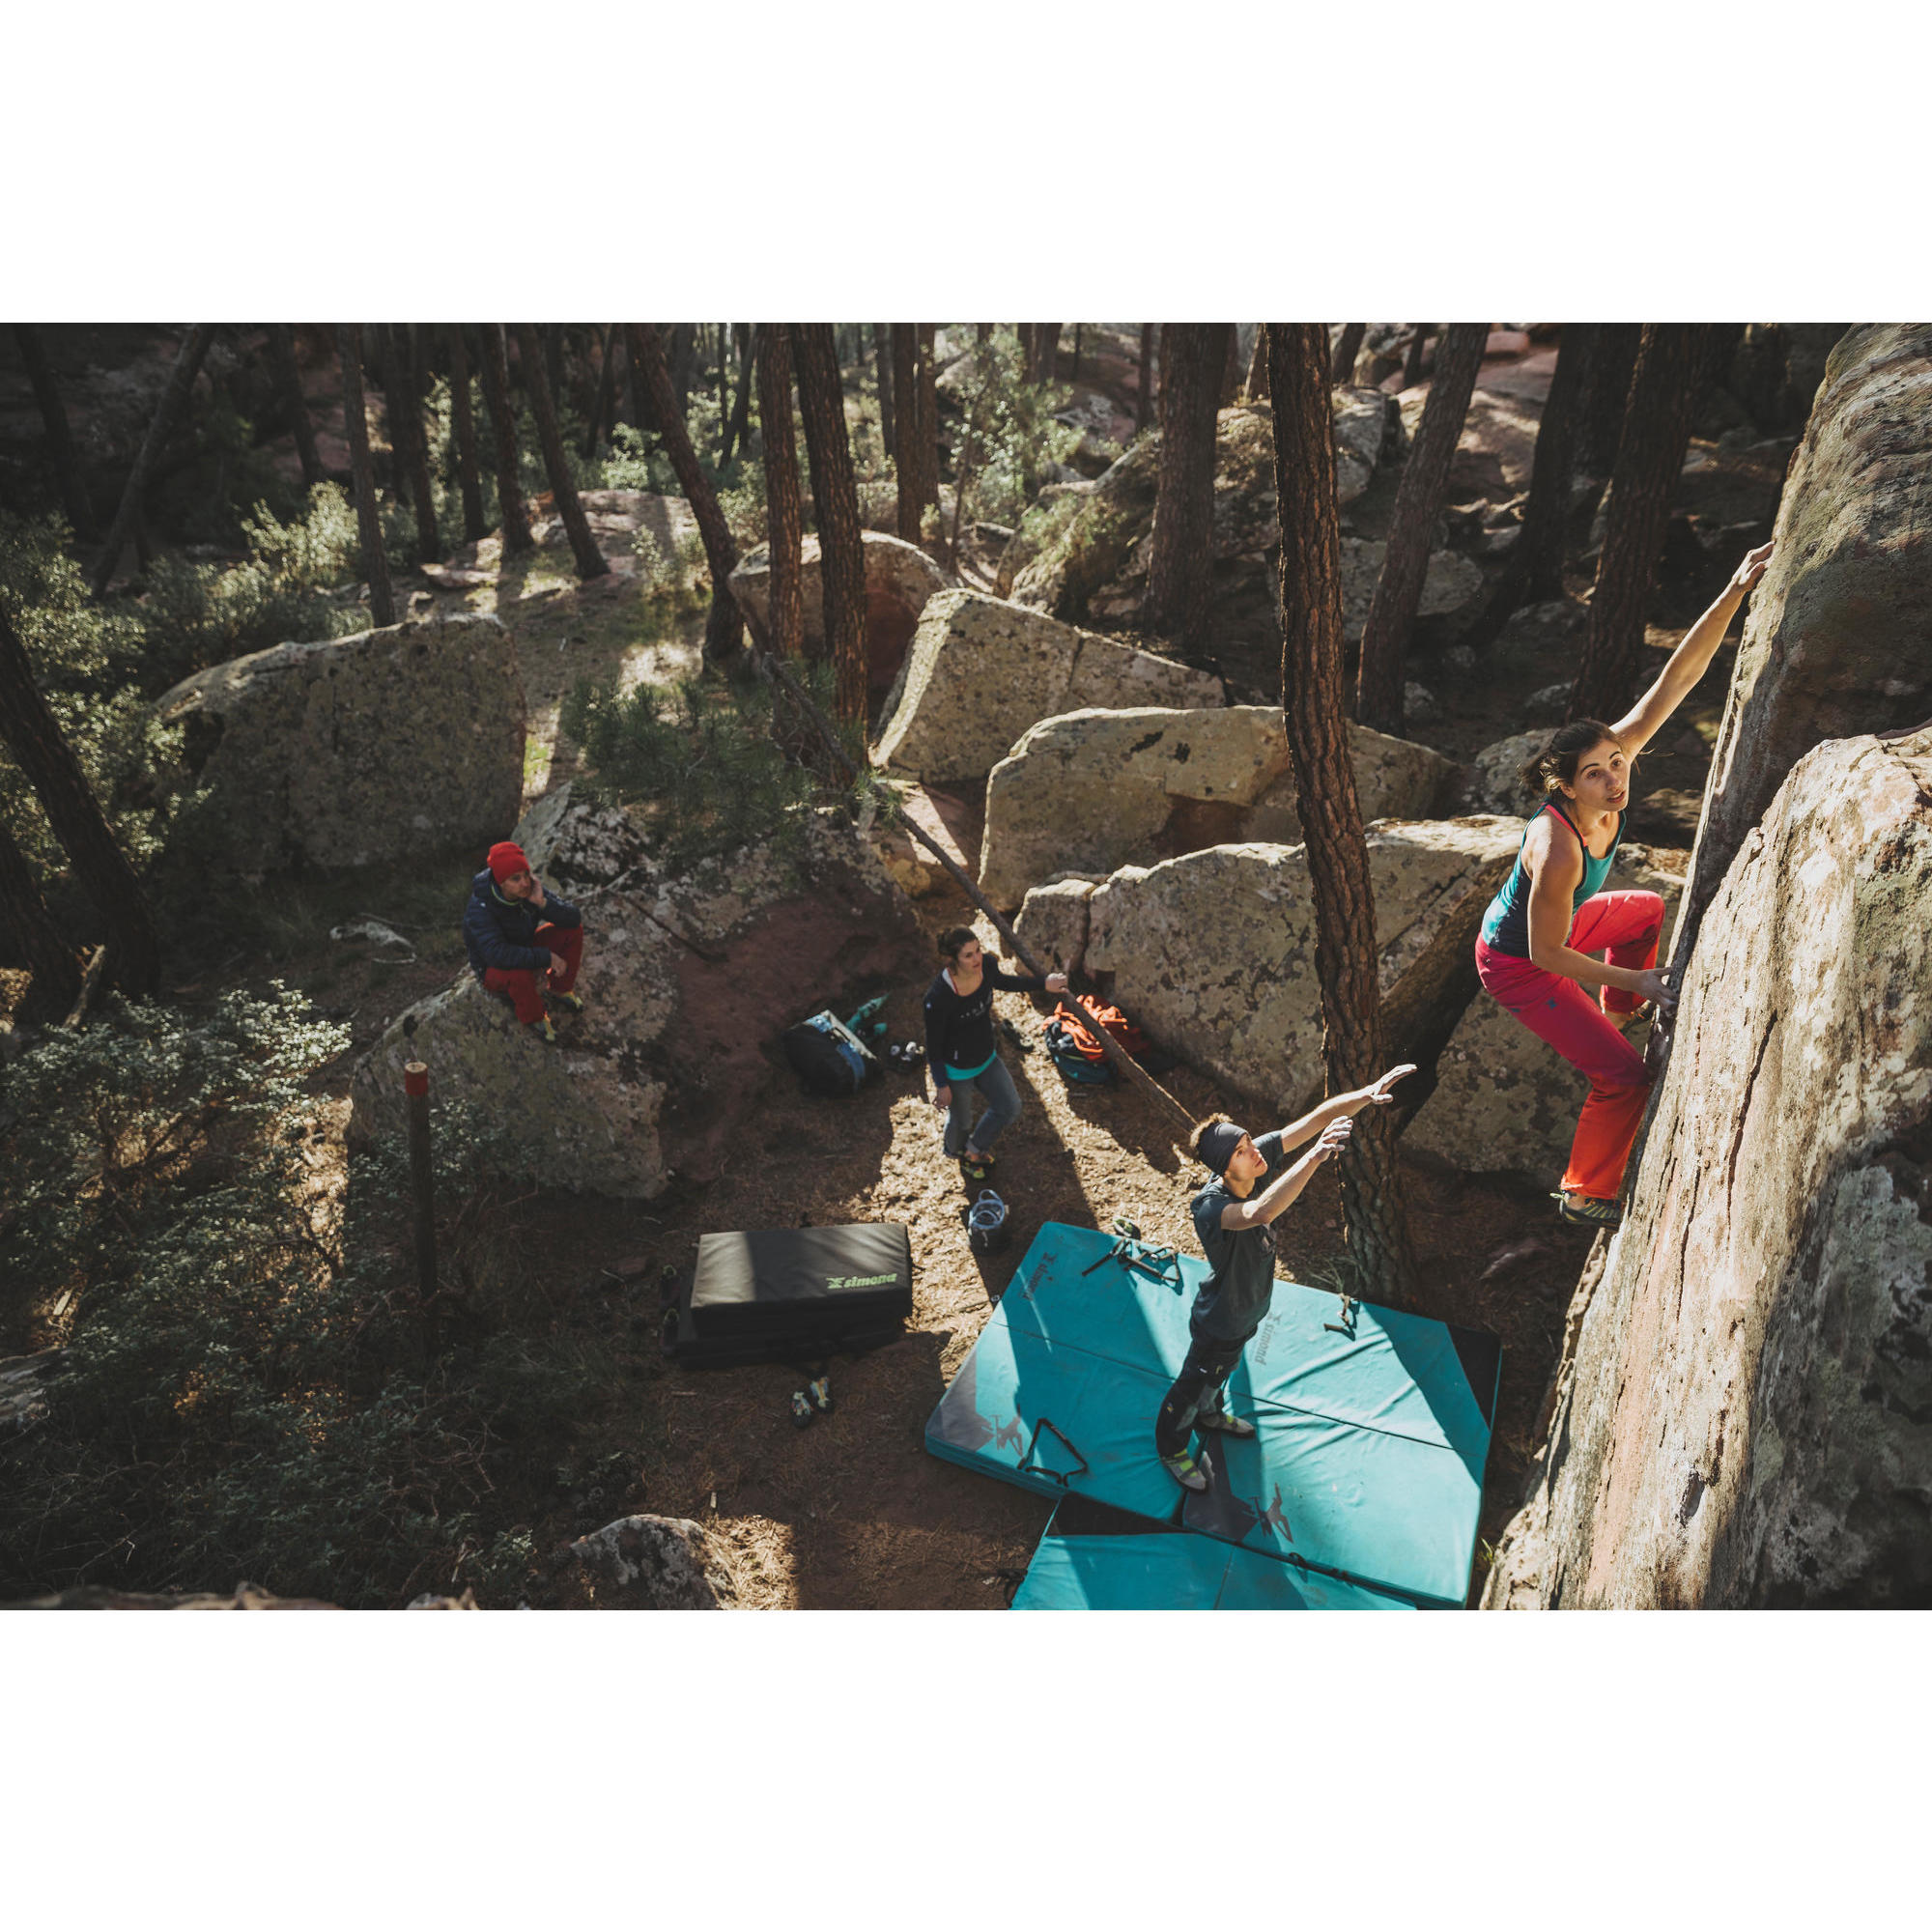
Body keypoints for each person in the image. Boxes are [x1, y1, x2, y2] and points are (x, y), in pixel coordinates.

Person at [1474, 542, 1775, 1231]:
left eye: (1617, 762)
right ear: (1565, 785)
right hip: (1520, 966)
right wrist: (1644, 983)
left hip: (1555, 930)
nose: (1617, 781)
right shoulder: (1556, 850)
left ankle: (1615, 1012)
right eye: (1597, 776)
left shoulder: (1611, 766)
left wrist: (1734, 588)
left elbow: (1677, 679)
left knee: (1643, 909)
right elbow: (1547, 956)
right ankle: (1583, 1190)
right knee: (1624, 1078)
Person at [1156, 1065, 1416, 1492]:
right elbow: (1260, 1213)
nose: (1253, 1151)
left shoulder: (1250, 1162)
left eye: (1248, 1141)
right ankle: (1171, 1447)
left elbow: (1313, 1120)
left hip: (1248, 1312)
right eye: (1241, 1151)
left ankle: (1210, 1413)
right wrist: (1314, 1157)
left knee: (1224, 1371)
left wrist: (1367, 1094)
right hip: (1219, 1319)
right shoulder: (1211, 1208)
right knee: (1192, 1382)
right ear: (1225, 1168)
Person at [923, 926, 1066, 1185]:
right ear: (953, 960)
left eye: (977, 950)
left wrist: (1043, 983)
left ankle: (974, 1148)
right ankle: (956, 1153)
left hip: (986, 1057)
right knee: (961, 1119)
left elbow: (1004, 982)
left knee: (1009, 1107)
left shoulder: (986, 966)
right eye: (968, 955)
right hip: (957, 1069)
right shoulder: (939, 997)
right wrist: (942, 1085)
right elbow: (933, 1046)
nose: (977, 958)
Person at [463, 840, 585, 1045]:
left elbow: (573, 919)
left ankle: (559, 988)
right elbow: (498, 955)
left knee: (572, 932)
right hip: (492, 968)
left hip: (525, 946)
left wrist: (543, 902)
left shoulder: (529, 890)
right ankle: (534, 1017)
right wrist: (545, 956)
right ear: (501, 882)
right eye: (516, 879)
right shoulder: (480, 910)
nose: (525, 883)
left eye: (526, 874)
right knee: (518, 974)